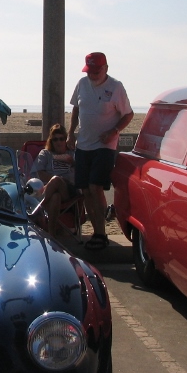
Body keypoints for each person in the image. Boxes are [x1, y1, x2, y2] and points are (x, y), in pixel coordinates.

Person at [67, 52, 133, 251]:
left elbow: (128, 115)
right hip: (83, 145)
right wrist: (71, 133)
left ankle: (101, 233)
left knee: (96, 187)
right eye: (90, 71)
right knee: (85, 190)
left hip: (104, 146)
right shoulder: (81, 83)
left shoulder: (115, 87)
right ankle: (96, 231)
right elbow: (76, 110)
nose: (93, 75)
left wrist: (114, 131)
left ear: (105, 69)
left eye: (96, 71)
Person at [28, 124, 80, 238]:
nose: (59, 142)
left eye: (61, 139)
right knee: (55, 196)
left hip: (69, 191)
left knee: (57, 180)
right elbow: (39, 173)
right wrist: (53, 181)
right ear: (51, 141)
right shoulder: (46, 154)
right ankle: (52, 235)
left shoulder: (72, 153)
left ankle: (36, 210)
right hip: (50, 190)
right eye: (55, 139)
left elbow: (81, 173)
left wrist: (73, 163)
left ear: (65, 139)